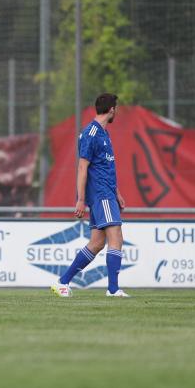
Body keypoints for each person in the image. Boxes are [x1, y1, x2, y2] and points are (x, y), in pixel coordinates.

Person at [53, 93, 129, 298]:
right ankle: (113, 289)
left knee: (96, 243)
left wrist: (117, 193)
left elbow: (106, 168)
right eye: (116, 108)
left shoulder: (104, 133)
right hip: (101, 195)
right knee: (117, 238)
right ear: (111, 109)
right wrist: (80, 199)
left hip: (108, 194)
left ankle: (62, 282)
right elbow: (82, 167)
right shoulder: (91, 133)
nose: (117, 111)